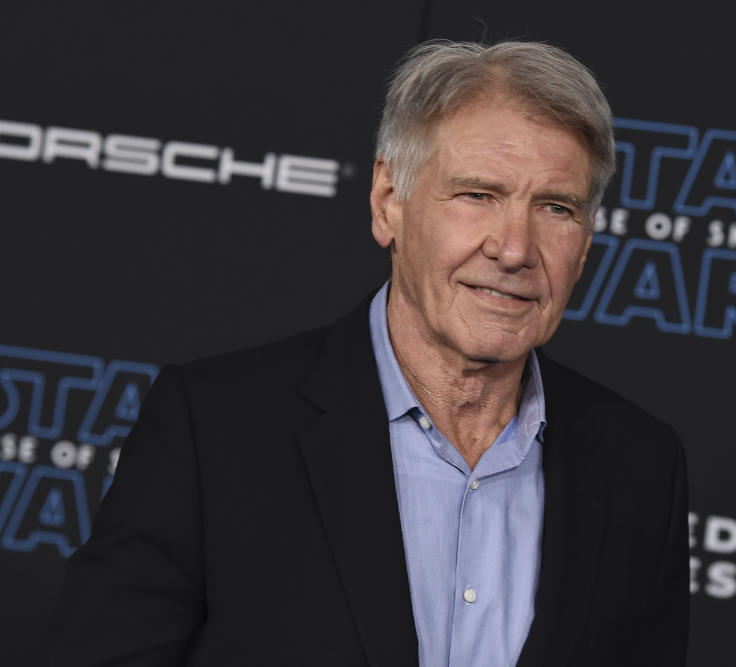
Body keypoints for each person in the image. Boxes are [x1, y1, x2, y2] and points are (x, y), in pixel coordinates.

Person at [48, 40, 689, 666]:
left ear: (585, 243)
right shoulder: (213, 430)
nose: (515, 249)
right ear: (390, 203)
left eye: (556, 207)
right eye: (477, 195)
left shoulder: (640, 467)